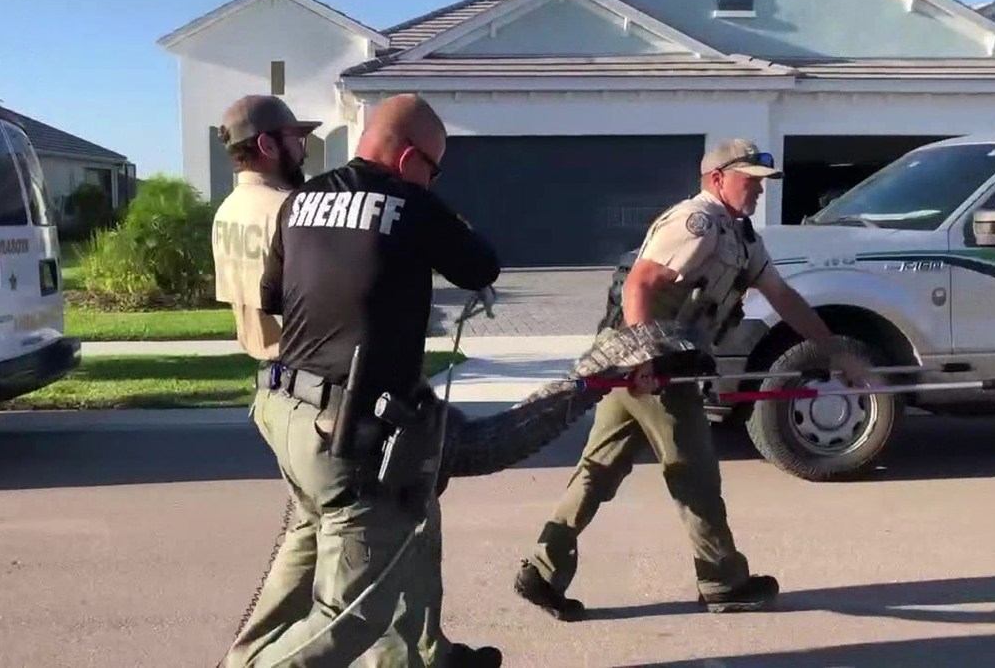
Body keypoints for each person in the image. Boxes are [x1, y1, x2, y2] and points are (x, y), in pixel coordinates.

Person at [512, 138, 873, 620]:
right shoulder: (696, 223)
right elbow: (641, 282)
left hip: (658, 364)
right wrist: (644, 361)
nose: (759, 192)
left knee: (599, 470)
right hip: (657, 367)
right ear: (717, 178)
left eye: (762, 183)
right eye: (750, 181)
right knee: (695, 475)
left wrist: (833, 351)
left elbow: (784, 297)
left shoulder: (741, 236)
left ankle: (543, 569)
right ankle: (723, 580)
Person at [231, 92, 502, 668]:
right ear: (409, 160)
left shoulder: (301, 199)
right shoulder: (412, 203)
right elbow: (482, 264)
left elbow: (274, 296)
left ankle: (421, 657)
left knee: (335, 534)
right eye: (435, 167)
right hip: (346, 430)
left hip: (287, 408)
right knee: (355, 612)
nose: (434, 178)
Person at [209, 94, 322, 667]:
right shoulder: (292, 210)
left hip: (269, 383)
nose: (305, 146)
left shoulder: (227, 211)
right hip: (314, 386)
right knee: (372, 530)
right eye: (296, 136)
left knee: (312, 524)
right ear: (267, 144)